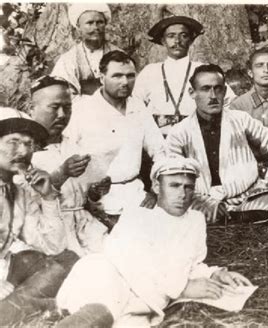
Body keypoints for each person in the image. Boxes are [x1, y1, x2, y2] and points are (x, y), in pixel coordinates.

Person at [55, 157, 252, 327]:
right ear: (157, 187)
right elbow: (134, 264)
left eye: (188, 187)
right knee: (103, 307)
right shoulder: (136, 216)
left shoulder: (195, 221)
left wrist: (215, 274)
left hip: (145, 296)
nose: (182, 194)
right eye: (174, 186)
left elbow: (187, 263)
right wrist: (183, 287)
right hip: (111, 276)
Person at [167, 64, 268, 224]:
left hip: (245, 196)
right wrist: (204, 202)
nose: (213, 96)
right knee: (179, 208)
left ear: (225, 91)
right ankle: (229, 218)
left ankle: (226, 218)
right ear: (192, 93)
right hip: (201, 199)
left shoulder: (240, 119)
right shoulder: (179, 132)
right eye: (205, 89)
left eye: (218, 89)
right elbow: (171, 174)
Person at [62, 50, 168, 215]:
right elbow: (65, 156)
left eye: (130, 76)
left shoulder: (138, 107)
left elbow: (160, 151)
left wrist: (156, 191)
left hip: (136, 194)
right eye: (117, 76)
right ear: (102, 77)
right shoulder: (82, 109)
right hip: (94, 200)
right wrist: (88, 193)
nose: (125, 82)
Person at [0, 108, 78, 326]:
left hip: (7, 273)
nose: (23, 151)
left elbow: (53, 247)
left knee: (68, 259)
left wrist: (48, 196)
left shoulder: (19, 190)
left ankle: (13, 309)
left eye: (29, 144)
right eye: (13, 142)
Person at [29, 75, 108, 256]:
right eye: (54, 107)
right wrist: (61, 174)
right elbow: (23, 203)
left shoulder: (74, 146)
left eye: (68, 107)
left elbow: (85, 201)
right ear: (31, 109)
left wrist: (95, 193)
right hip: (50, 233)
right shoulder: (22, 152)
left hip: (85, 228)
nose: (62, 115)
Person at [134, 15, 236, 135]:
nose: (177, 41)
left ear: (191, 40)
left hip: (196, 135)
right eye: (171, 36)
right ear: (163, 41)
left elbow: (230, 101)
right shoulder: (150, 71)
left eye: (183, 35)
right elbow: (135, 103)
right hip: (157, 137)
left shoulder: (203, 70)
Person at [51, 4, 122, 98]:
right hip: (81, 109)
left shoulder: (119, 54)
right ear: (78, 27)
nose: (96, 27)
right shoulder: (68, 60)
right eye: (90, 23)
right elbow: (62, 93)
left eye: (100, 22)